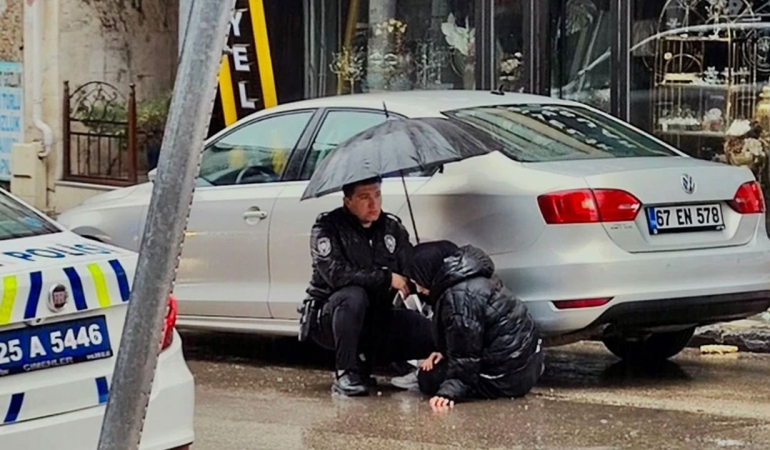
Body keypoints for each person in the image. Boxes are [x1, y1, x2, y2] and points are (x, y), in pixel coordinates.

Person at [302, 176, 436, 397]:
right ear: (348, 201)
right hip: (331, 317)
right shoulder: (327, 227)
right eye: (364, 197)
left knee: (432, 332)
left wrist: (421, 280)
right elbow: (336, 275)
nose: (374, 204)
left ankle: (409, 366)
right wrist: (386, 278)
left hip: (377, 316)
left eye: (377, 195)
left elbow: (410, 269)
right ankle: (345, 372)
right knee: (353, 296)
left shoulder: (391, 227)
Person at [404, 240, 544, 412]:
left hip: (507, 378)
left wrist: (449, 392)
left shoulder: (459, 298)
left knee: (429, 378)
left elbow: (466, 355)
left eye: (417, 280)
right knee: (438, 369)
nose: (418, 288)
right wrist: (445, 352)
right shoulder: (473, 278)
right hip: (528, 365)